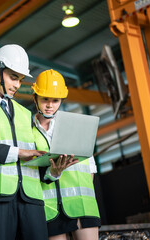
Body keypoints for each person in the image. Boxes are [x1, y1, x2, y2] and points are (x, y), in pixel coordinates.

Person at [0, 44, 76, 240]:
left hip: (31, 199)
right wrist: (17, 152)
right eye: (13, 77)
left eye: (20, 79)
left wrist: (53, 172)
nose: (17, 85)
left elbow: (32, 159)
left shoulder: (24, 114)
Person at [32, 69, 101, 240]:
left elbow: (90, 169)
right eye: (45, 99)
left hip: (82, 206)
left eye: (55, 100)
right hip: (50, 209)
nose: (50, 105)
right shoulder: (26, 133)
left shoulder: (76, 127)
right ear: (35, 98)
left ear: (61, 101)